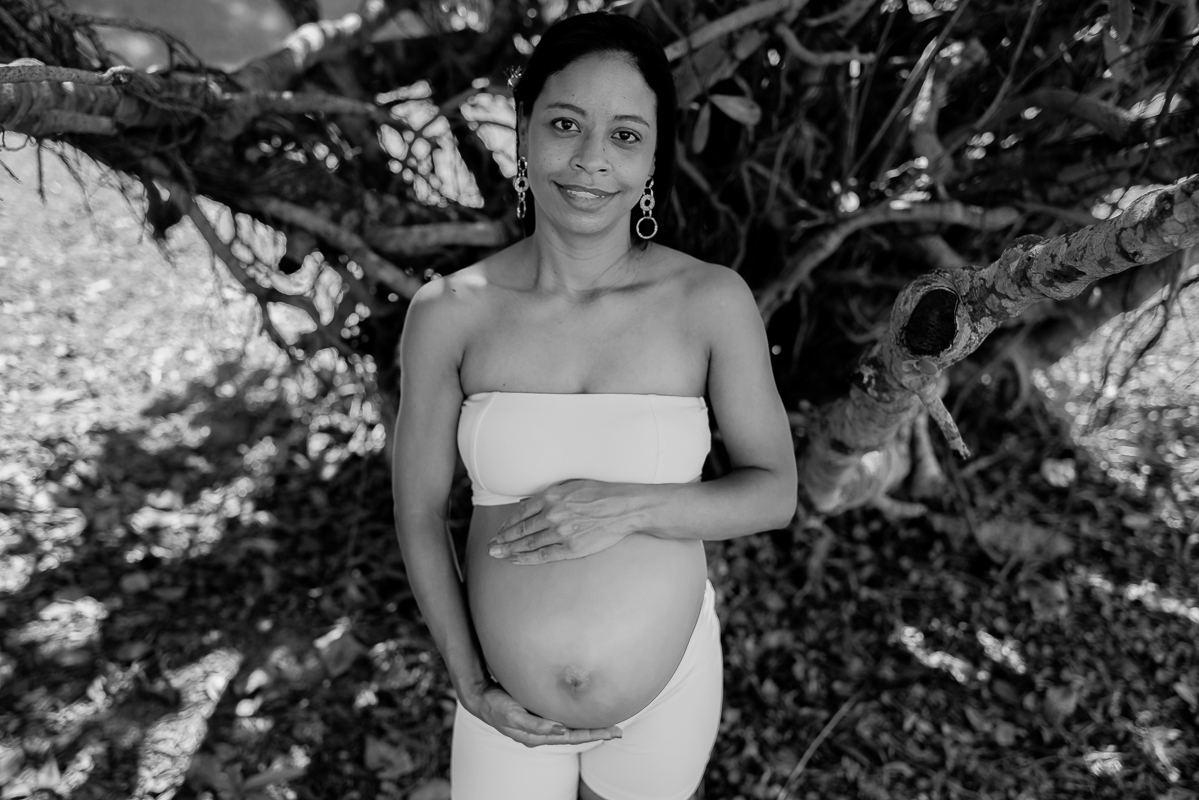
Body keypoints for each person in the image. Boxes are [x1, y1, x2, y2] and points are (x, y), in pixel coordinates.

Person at [391, 12, 796, 800]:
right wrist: (468, 680)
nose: (590, 160)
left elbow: (774, 492)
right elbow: (418, 513)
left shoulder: (709, 301)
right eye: (565, 124)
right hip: (503, 703)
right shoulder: (449, 313)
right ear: (522, 130)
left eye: (624, 136)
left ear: (652, 157)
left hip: (668, 694)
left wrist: (628, 508)